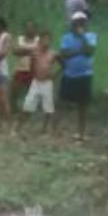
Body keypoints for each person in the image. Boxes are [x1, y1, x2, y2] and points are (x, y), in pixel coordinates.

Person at [58, 11, 97, 141]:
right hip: (69, 74)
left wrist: (82, 37)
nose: (79, 24)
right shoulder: (66, 37)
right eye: (77, 22)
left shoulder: (91, 36)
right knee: (62, 102)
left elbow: (90, 51)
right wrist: (80, 51)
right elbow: (64, 54)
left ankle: (81, 133)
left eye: (82, 22)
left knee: (83, 105)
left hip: (85, 75)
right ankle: (54, 129)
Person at [14, 32, 59, 136]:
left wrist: (55, 74)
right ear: (40, 41)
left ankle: (46, 129)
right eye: (43, 40)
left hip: (47, 82)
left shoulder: (53, 53)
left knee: (48, 108)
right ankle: (18, 128)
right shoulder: (35, 52)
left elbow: (63, 63)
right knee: (27, 105)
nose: (46, 42)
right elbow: (19, 53)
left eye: (48, 40)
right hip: (36, 82)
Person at [13, 20, 40, 109]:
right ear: (25, 28)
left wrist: (23, 51)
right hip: (21, 69)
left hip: (33, 70)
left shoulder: (38, 40)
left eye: (32, 27)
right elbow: (16, 51)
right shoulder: (20, 39)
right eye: (28, 27)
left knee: (31, 92)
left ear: (35, 29)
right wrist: (31, 51)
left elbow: (39, 52)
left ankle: (29, 111)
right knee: (15, 90)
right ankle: (14, 109)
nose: (30, 29)